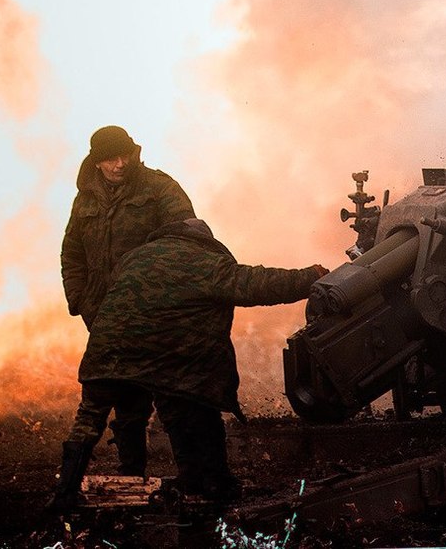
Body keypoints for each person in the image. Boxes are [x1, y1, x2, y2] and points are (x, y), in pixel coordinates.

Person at [53, 217, 327, 507]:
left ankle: (65, 492)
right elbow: (257, 283)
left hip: (105, 352)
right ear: (204, 241)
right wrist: (310, 276)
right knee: (192, 408)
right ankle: (214, 483)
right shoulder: (204, 262)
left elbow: (104, 296)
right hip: (166, 359)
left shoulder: (133, 258)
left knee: (90, 417)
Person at [58, 125, 195, 480]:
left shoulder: (160, 189)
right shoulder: (85, 200)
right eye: (110, 158)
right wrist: (80, 299)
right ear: (97, 162)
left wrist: (167, 300)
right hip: (105, 317)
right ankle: (130, 476)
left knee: (174, 402)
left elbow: (187, 242)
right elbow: (72, 252)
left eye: (125, 155)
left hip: (156, 318)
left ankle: (196, 483)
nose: (120, 164)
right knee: (121, 401)